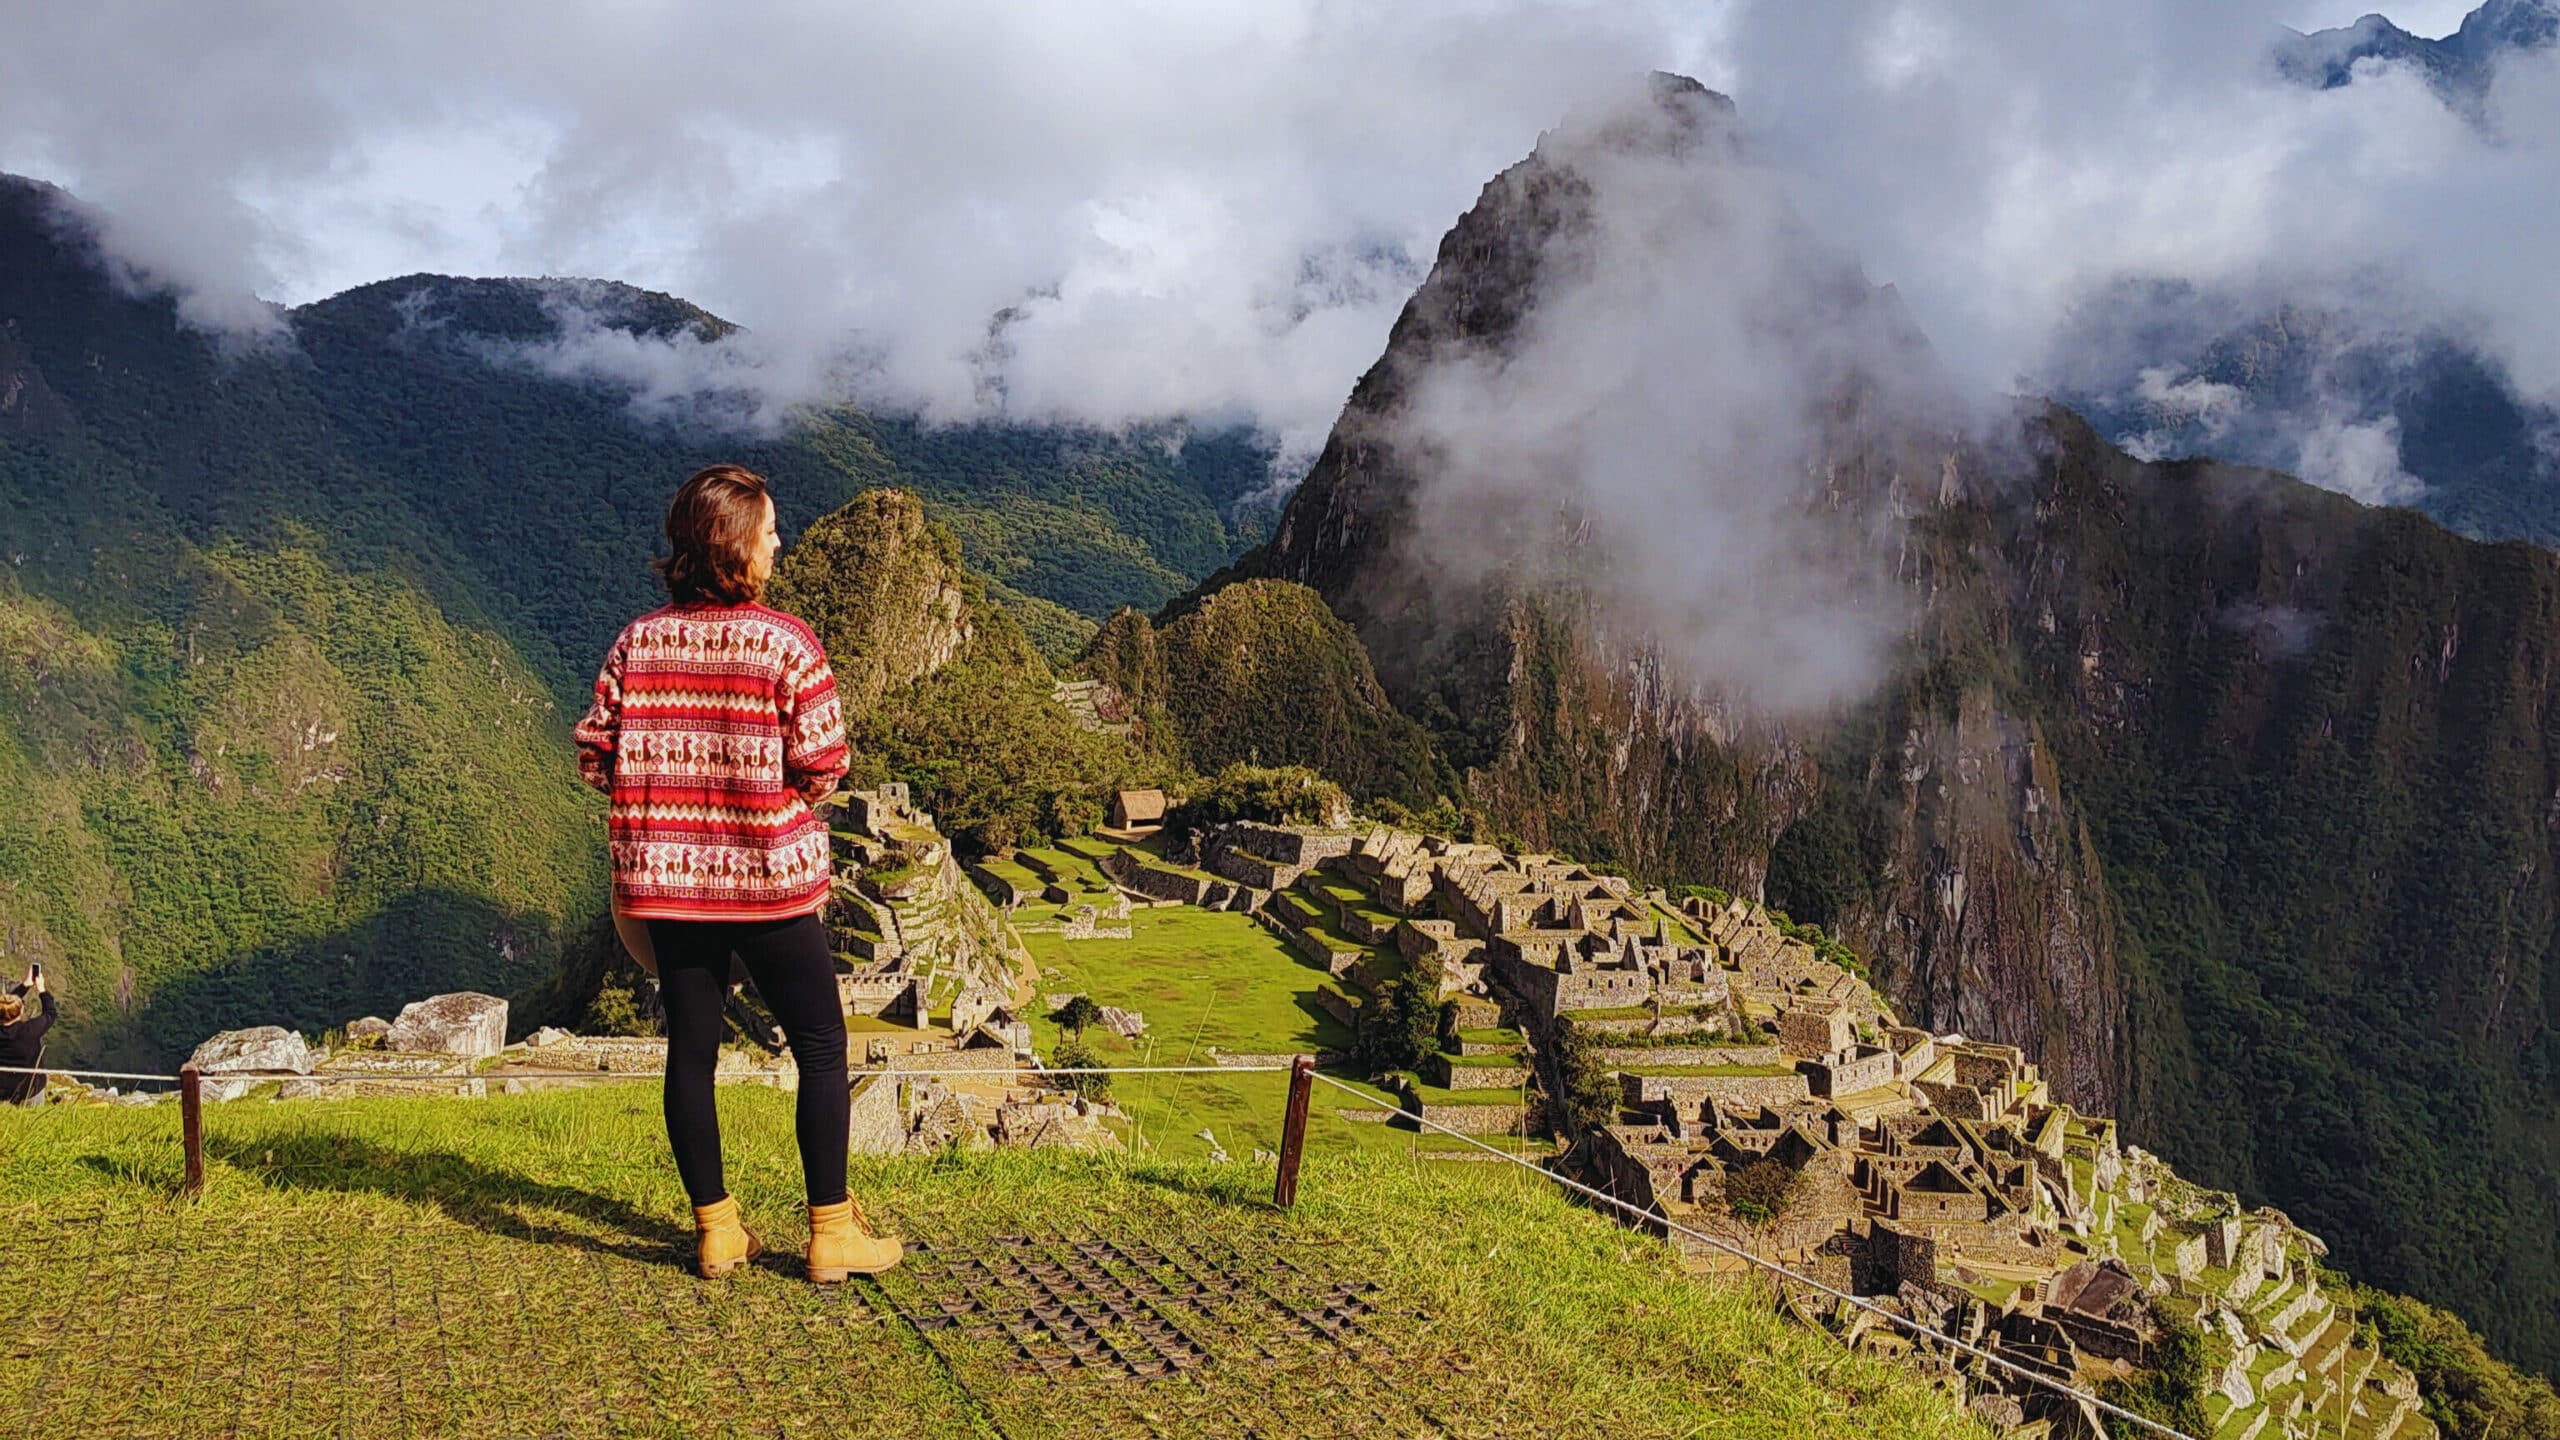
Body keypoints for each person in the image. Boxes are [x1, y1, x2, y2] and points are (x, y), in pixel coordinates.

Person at [572, 464, 900, 1283]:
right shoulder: (785, 643)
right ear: (737, 547)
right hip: (768, 884)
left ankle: (717, 1229)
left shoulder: (637, 643)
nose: (779, 541)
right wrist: (760, 790)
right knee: (822, 1044)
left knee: (692, 1050)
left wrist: (668, 794)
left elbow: (594, 755)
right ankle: (830, 1233)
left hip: (672, 889)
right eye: (770, 530)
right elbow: (825, 763)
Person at [1, 965, 57, 1105]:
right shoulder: (29, 1031)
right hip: (30, 1091)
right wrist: (41, 989)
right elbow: (50, 1013)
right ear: (20, 1012)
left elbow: (6, 1006)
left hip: (2, 1090)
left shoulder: (28, 1030)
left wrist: (25, 985)